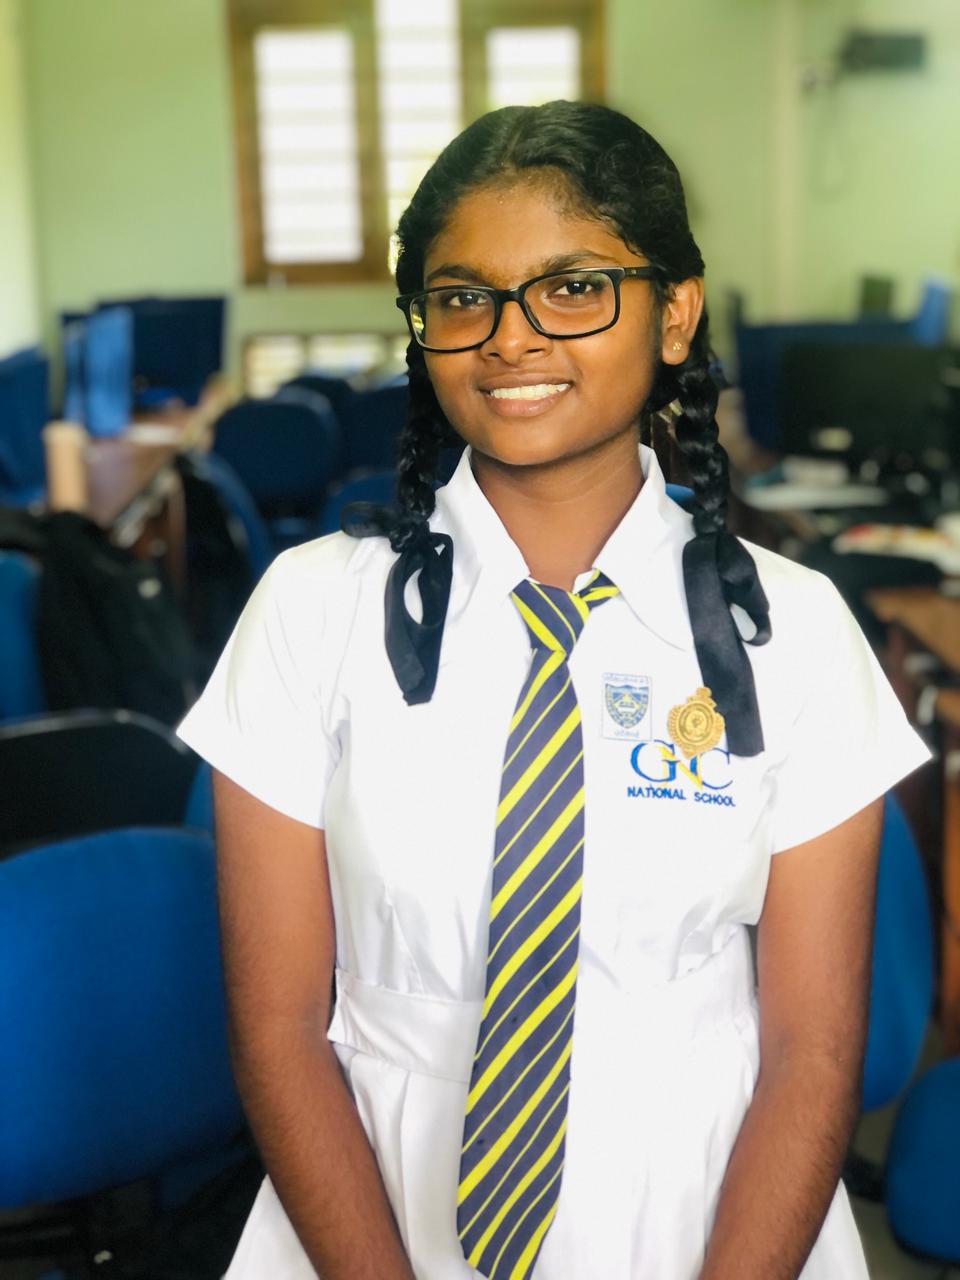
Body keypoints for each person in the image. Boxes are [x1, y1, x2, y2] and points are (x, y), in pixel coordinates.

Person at [178, 101, 929, 1280]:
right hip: (369, 1205)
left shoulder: (795, 631)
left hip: (714, 1201)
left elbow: (812, 1051)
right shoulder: (311, 610)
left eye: (574, 287)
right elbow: (275, 1033)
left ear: (674, 313)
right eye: (462, 297)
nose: (509, 338)